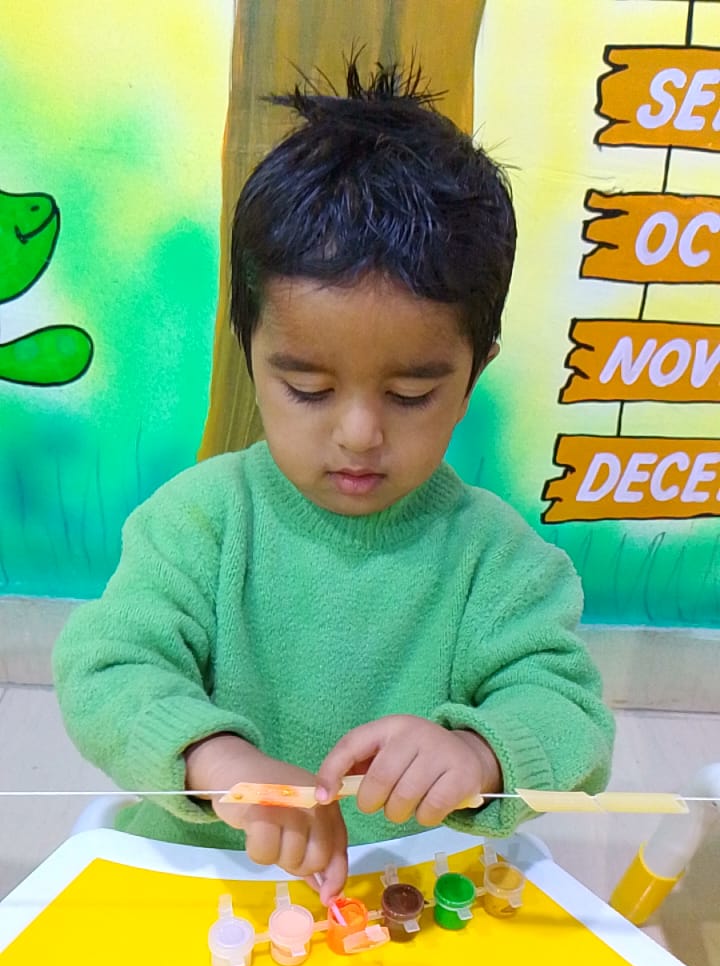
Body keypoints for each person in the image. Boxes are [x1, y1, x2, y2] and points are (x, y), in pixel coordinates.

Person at [54, 58, 614, 904]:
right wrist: (212, 758)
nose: (359, 434)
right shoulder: (200, 521)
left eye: (411, 394)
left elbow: (573, 719)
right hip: (205, 885)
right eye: (309, 389)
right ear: (249, 353)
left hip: (401, 901)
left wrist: (482, 753)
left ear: (474, 372)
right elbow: (106, 668)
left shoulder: (500, 563)